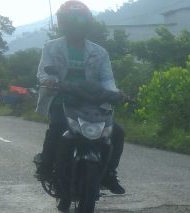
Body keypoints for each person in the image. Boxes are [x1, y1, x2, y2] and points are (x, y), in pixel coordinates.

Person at [34, 1, 126, 195]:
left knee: (116, 133)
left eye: (81, 21)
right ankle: (46, 165)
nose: (77, 25)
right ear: (63, 23)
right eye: (72, 21)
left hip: (92, 102)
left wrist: (114, 93)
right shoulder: (51, 47)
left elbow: (107, 78)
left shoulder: (100, 52)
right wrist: (50, 81)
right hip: (61, 99)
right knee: (58, 127)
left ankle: (109, 172)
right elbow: (44, 71)